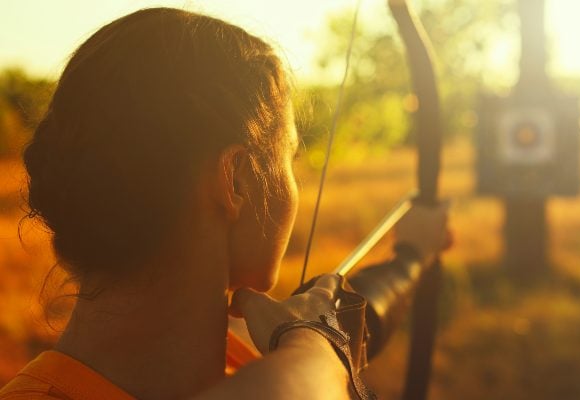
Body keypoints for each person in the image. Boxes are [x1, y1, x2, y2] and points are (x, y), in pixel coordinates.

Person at [0, 7, 449, 400]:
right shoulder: (297, 369)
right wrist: (315, 341)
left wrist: (410, 256)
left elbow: (358, 323)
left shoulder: (257, 361)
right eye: (289, 158)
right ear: (235, 179)